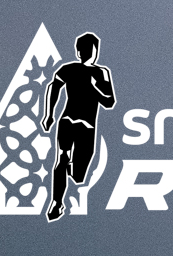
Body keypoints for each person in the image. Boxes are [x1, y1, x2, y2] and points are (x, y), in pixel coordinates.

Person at [42, 32, 116, 222]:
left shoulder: (101, 72)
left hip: (87, 127)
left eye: (91, 49)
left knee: (78, 175)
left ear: (96, 51)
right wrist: (49, 114)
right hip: (68, 120)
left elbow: (109, 101)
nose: (88, 53)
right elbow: (53, 87)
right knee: (62, 157)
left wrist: (93, 88)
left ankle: (70, 171)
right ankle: (57, 202)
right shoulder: (69, 69)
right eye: (84, 49)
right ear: (78, 51)